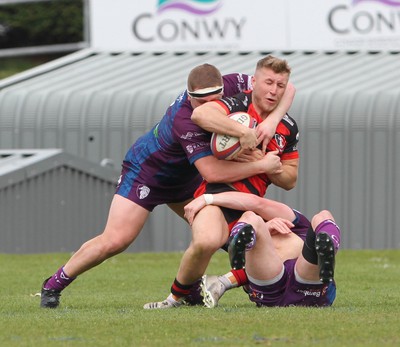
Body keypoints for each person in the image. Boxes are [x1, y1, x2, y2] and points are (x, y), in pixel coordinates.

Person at [40, 63, 295, 308]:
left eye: (214, 100)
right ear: (190, 96)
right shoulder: (185, 120)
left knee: (229, 236)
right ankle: (53, 285)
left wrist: (272, 122)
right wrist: (261, 165)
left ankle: (207, 288)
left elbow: (288, 88)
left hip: (189, 179)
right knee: (116, 240)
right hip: (148, 174)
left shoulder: (232, 84)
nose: (209, 107)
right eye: (201, 102)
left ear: (222, 90)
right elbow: (213, 172)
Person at [144, 55, 300, 309]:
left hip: (251, 206)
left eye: (280, 86)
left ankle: (228, 282)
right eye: (268, 82)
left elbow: (290, 178)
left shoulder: (288, 127)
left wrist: (272, 167)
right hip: (216, 194)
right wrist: (244, 133)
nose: (273, 91)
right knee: (206, 241)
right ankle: (173, 299)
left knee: (293, 245)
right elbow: (202, 114)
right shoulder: (236, 104)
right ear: (254, 81)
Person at [184, 191, 340, 308]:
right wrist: (264, 228)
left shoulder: (298, 224)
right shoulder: (258, 228)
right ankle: (329, 245)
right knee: (250, 218)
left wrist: (206, 198)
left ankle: (327, 248)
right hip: (302, 288)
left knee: (321, 216)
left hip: (282, 284)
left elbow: (256, 202)